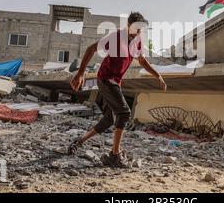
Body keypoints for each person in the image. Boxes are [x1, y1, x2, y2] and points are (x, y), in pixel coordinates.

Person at [68, 12, 167, 167]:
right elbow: (91, 49)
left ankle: (79, 141)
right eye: (136, 29)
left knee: (109, 119)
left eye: (141, 30)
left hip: (116, 82)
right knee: (124, 113)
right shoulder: (115, 37)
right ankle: (114, 155)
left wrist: (157, 75)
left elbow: (141, 60)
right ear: (128, 26)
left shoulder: (137, 41)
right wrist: (81, 73)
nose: (139, 33)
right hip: (105, 79)